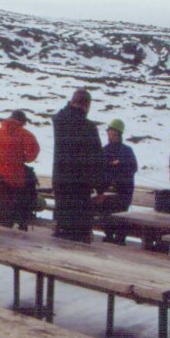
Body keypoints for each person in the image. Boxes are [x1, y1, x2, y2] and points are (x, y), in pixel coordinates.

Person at [51, 89, 107, 243]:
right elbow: (97, 160)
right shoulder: (88, 127)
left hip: (61, 181)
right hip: (80, 186)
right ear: (87, 105)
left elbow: (61, 113)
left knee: (62, 232)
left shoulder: (59, 121)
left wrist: (70, 104)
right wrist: (100, 188)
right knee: (79, 236)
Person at [0, 110, 40, 229]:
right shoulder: (25, 134)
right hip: (16, 178)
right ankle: (18, 226)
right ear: (22, 122)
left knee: (1, 205)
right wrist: (23, 158)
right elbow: (33, 152)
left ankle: (3, 225)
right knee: (16, 204)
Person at [96, 119, 138, 244]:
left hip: (123, 192)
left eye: (113, 134)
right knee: (104, 209)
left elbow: (133, 167)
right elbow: (100, 170)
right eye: (109, 133)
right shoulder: (105, 150)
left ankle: (120, 238)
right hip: (107, 192)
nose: (110, 136)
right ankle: (109, 236)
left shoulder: (127, 151)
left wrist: (119, 164)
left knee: (120, 212)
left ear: (119, 135)